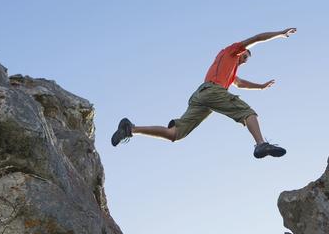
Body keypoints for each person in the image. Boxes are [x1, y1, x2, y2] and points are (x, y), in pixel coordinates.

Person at [111, 28, 296, 158]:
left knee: (175, 134)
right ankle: (261, 144)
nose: (245, 61)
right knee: (248, 113)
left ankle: (130, 129)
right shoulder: (231, 51)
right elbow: (256, 39)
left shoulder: (230, 72)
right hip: (211, 91)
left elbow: (241, 84)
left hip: (201, 98)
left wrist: (261, 86)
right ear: (240, 52)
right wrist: (279, 34)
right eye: (245, 56)